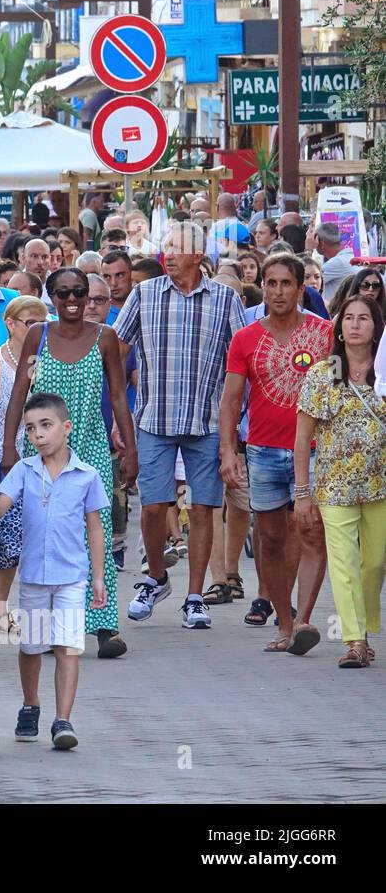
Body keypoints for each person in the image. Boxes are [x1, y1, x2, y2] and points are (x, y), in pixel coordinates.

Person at [116, 221, 245, 629]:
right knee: (153, 507)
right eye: (166, 246)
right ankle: (156, 578)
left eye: (178, 247)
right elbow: (116, 354)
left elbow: (241, 360)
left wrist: (236, 430)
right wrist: (119, 415)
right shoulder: (144, 293)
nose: (169, 253)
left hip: (206, 421)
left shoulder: (224, 299)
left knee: (204, 509)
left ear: (198, 255)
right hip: (154, 418)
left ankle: (194, 596)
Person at [2, 268, 136, 658]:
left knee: (98, 533)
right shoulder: (37, 336)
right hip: (41, 451)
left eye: (80, 292)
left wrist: (129, 448)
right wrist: (11, 449)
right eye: (63, 293)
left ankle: (105, 626)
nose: (73, 300)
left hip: (90, 450)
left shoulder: (105, 337)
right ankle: (45, 627)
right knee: (42, 535)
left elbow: (116, 395)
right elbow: (18, 392)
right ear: (52, 297)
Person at [0, 392, 108, 751]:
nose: (39, 435)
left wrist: (98, 576)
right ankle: (30, 705)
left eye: (46, 426)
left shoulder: (87, 476)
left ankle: (63, 720)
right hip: (33, 576)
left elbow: (94, 527)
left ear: (65, 427)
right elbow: (5, 500)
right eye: (31, 429)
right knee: (31, 647)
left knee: (67, 648)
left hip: (72, 578)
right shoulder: (24, 470)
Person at [220, 254, 332, 652]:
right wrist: (228, 451)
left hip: (317, 451)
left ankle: (303, 620)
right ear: (262, 287)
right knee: (268, 539)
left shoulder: (325, 334)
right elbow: (232, 400)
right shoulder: (245, 338)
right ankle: (283, 623)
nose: (278, 291)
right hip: (263, 450)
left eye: (287, 284)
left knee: (311, 533)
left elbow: (339, 391)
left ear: (302, 289)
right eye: (271, 283)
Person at [295, 296, 386, 668]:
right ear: (338, 327)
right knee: (345, 563)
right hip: (334, 486)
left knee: (375, 563)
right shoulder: (323, 373)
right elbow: (302, 437)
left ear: (376, 327)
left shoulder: (385, 371)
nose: (354, 325)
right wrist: (302, 492)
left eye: (363, 318)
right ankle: (355, 640)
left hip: (380, 484)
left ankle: (365, 627)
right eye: (348, 318)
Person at [0, 297, 49, 628]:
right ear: (10, 323)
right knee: (6, 539)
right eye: (29, 322)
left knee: (38, 538)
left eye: (42, 323)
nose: (37, 329)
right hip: (1, 458)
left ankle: (39, 612)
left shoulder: (49, 360)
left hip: (43, 461)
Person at [314, 222, 355, 302]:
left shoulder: (338, 262)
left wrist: (308, 248)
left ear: (321, 243)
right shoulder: (349, 257)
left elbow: (304, 278)